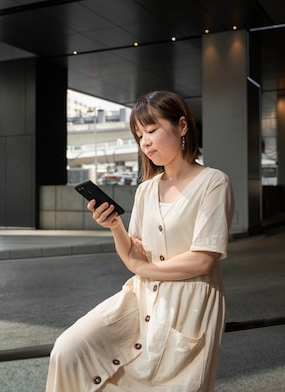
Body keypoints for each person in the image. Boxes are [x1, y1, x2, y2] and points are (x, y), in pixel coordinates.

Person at [46, 90, 235, 392]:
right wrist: (114, 226)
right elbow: (135, 253)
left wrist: (142, 269)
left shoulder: (213, 182)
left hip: (188, 305)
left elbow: (202, 258)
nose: (145, 142)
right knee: (68, 351)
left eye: (151, 130)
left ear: (182, 126)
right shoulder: (146, 189)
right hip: (141, 299)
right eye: (138, 135)